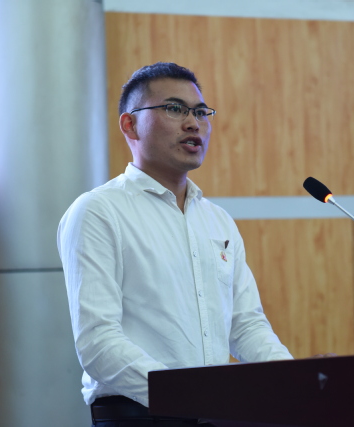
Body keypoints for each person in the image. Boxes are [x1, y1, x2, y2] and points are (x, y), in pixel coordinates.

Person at [57, 62, 295, 426]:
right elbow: (98, 342)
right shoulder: (98, 212)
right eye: (174, 109)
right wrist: (187, 397)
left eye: (200, 112)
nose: (193, 123)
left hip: (212, 412)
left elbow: (246, 326)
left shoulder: (217, 220)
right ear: (130, 124)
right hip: (139, 415)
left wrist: (295, 384)